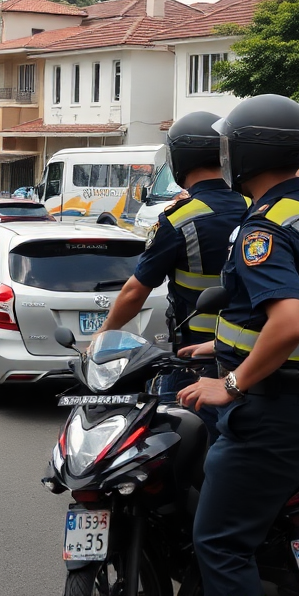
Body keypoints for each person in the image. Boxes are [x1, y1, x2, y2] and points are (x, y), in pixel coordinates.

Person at [176, 94, 299, 595]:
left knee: (220, 543)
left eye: (229, 147)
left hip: (270, 413)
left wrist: (231, 382)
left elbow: (290, 321)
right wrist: (221, 348)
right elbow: (288, 313)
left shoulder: (265, 227)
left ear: (250, 152)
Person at [101, 111, 247, 437]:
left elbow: (135, 291)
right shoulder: (255, 207)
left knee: (174, 437)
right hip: (250, 350)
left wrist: (104, 334)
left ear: (179, 159)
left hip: (195, 355)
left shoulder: (178, 219)